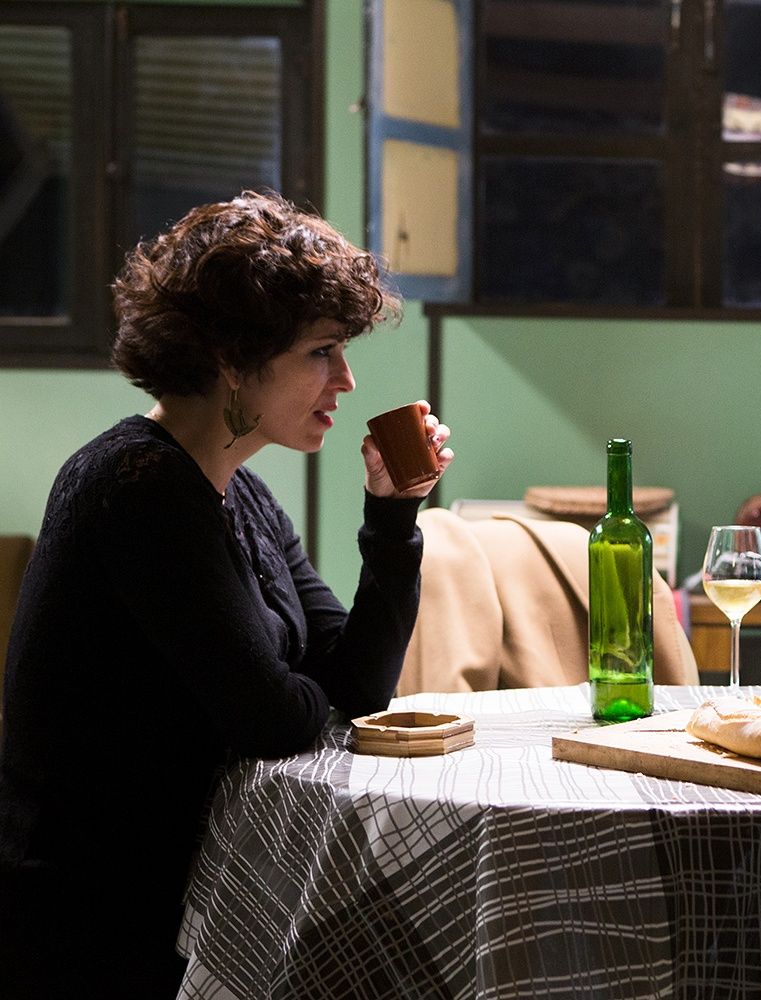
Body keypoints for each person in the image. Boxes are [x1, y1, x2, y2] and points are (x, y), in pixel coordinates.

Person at [0, 190, 453, 997]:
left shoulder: (237, 492)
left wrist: (393, 513)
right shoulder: (136, 486)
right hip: (90, 924)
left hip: (179, 895)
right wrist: (294, 693)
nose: (346, 381)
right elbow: (272, 719)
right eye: (322, 352)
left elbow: (356, 688)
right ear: (230, 358)